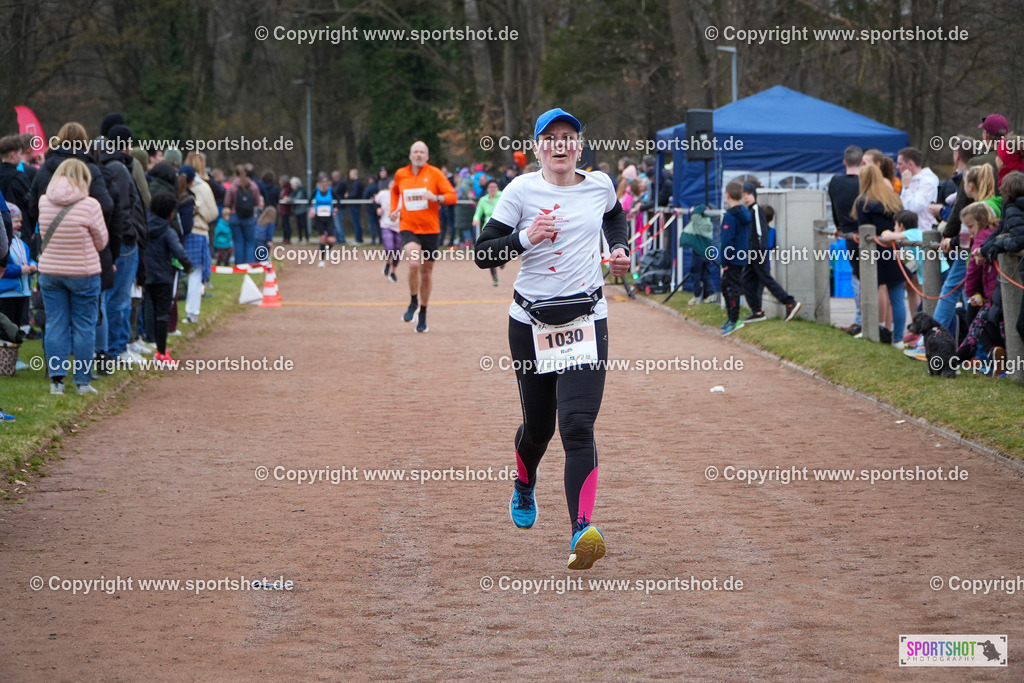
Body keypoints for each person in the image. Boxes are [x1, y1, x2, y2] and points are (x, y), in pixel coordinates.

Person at [474, 107, 629, 570]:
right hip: (530, 324)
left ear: (579, 146)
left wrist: (618, 249)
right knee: (539, 428)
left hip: (586, 320)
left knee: (577, 426)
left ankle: (582, 530)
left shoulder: (600, 184)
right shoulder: (520, 191)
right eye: (551, 138)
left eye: (569, 137)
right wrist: (524, 238)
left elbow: (615, 216)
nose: (561, 145)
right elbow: (483, 254)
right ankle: (525, 481)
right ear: (537, 145)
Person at [37, 158, 108, 395]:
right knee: (84, 327)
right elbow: (101, 241)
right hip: (83, 273)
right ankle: (82, 381)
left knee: (55, 324)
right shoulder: (90, 205)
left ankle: (56, 381)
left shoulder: (44, 202)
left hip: (50, 271)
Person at [389, 141, 457, 333]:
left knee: (426, 274)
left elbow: (452, 196)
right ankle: (412, 302)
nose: (418, 155)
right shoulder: (401, 174)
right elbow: (395, 192)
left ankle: (423, 313)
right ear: (410, 156)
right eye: (415, 152)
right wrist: (394, 210)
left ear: (427, 156)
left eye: (422, 152)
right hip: (408, 226)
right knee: (413, 263)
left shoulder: (435, 173)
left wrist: (435, 198)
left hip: (431, 230)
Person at [853, 164, 904, 345]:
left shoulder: (863, 202)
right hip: (894, 250)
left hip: (874, 254)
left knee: (869, 293)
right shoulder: (893, 199)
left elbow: (863, 230)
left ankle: (872, 329)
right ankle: (898, 338)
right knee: (897, 297)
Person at [740, 183, 802, 323]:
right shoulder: (749, 211)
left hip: (757, 253)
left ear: (754, 195)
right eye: (743, 196)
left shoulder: (756, 210)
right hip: (752, 253)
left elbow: (761, 232)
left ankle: (789, 302)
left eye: (748, 195)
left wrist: (760, 251)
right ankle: (757, 311)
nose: (746, 198)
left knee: (766, 279)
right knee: (746, 280)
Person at [143, 191, 192, 367]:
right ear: (171, 214)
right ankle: (162, 352)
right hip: (164, 276)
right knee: (163, 313)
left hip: (147, 274)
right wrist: (186, 265)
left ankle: (150, 339)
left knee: (149, 307)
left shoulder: (145, 228)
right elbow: (178, 253)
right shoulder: (168, 231)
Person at [953, 202, 1002, 366]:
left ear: (980, 222)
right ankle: (990, 355)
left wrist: (970, 291)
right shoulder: (994, 231)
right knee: (988, 322)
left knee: (976, 320)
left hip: (986, 291)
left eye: (971, 226)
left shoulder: (981, 237)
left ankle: (988, 353)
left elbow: (973, 267)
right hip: (993, 289)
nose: (970, 231)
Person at [828, 145, 863, 335]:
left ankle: (860, 320)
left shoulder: (835, 181)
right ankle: (863, 320)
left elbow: (834, 207)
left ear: (844, 162)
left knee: (858, 276)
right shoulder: (865, 182)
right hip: (866, 231)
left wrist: (839, 224)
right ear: (862, 162)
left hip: (849, 231)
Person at [182, 158, 218, 324]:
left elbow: (211, 212)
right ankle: (188, 312)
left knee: (194, 274)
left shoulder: (202, 188)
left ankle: (192, 312)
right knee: (185, 273)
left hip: (197, 231)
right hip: (190, 232)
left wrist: (195, 210)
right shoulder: (195, 186)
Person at [0, 206, 36, 370]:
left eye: (20, 221)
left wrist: (33, 265)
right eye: (15, 220)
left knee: (18, 326)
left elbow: (28, 259)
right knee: (7, 327)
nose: (19, 224)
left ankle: (14, 357)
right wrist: (20, 270)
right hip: (6, 293)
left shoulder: (22, 243)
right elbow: (4, 267)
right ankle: (6, 358)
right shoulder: (4, 243)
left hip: (22, 291)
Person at [717, 181, 751, 336]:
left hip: (731, 259)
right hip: (740, 257)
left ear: (727, 195)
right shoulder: (744, 213)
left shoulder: (730, 216)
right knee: (726, 287)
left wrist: (723, 261)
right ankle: (731, 318)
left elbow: (727, 241)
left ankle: (735, 320)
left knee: (732, 289)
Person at [224, 164, 263, 264]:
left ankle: (240, 265)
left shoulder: (233, 186)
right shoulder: (253, 185)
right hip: (249, 217)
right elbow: (257, 202)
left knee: (238, 242)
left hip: (235, 217)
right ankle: (250, 264)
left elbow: (227, 203)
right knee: (250, 242)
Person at [680, 203, 717, 305]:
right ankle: (710, 293)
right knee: (705, 274)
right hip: (705, 252)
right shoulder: (707, 222)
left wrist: (701, 208)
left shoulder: (700, 221)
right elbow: (693, 215)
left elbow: (694, 215)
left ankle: (697, 296)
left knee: (696, 273)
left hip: (699, 252)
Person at [897, 147, 939, 233]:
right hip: (906, 231)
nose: (897, 167)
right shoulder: (908, 179)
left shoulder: (928, 181)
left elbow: (914, 208)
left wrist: (906, 187)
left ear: (911, 164)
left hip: (922, 232)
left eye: (900, 164)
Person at [472, 178, 502, 285]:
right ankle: (494, 278)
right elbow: (478, 213)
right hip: (488, 228)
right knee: (491, 253)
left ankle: (502, 261)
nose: (492, 189)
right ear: (487, 189)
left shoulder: (503, 196)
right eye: (490, 187)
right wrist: (475, 219)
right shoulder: (483, 200)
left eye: (494, 187)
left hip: (502, 227)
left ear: (498, 188)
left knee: (502, 251)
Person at [375, 177, 400, 282]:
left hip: (399, 226)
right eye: (392, 184)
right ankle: (387, 262)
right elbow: (374, 201)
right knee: (390, 247)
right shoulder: (383, 194)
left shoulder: (402, 196)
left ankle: (393, 272)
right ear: (389, 185)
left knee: (397, 251)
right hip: (386, 225)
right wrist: (378, 209)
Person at [309, 174, 337, 267]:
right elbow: (309, 202)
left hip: (329, 217)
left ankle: (329, 250)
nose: (324, 184)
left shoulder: (331, 190)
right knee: (323, 239)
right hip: (319, 218)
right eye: (322, 182)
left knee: (331, 239)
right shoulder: (316, 191)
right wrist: (312, 209)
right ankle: (322, 260)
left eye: (326, 181)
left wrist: (336, 208)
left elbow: (339, 200)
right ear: (319, 183)